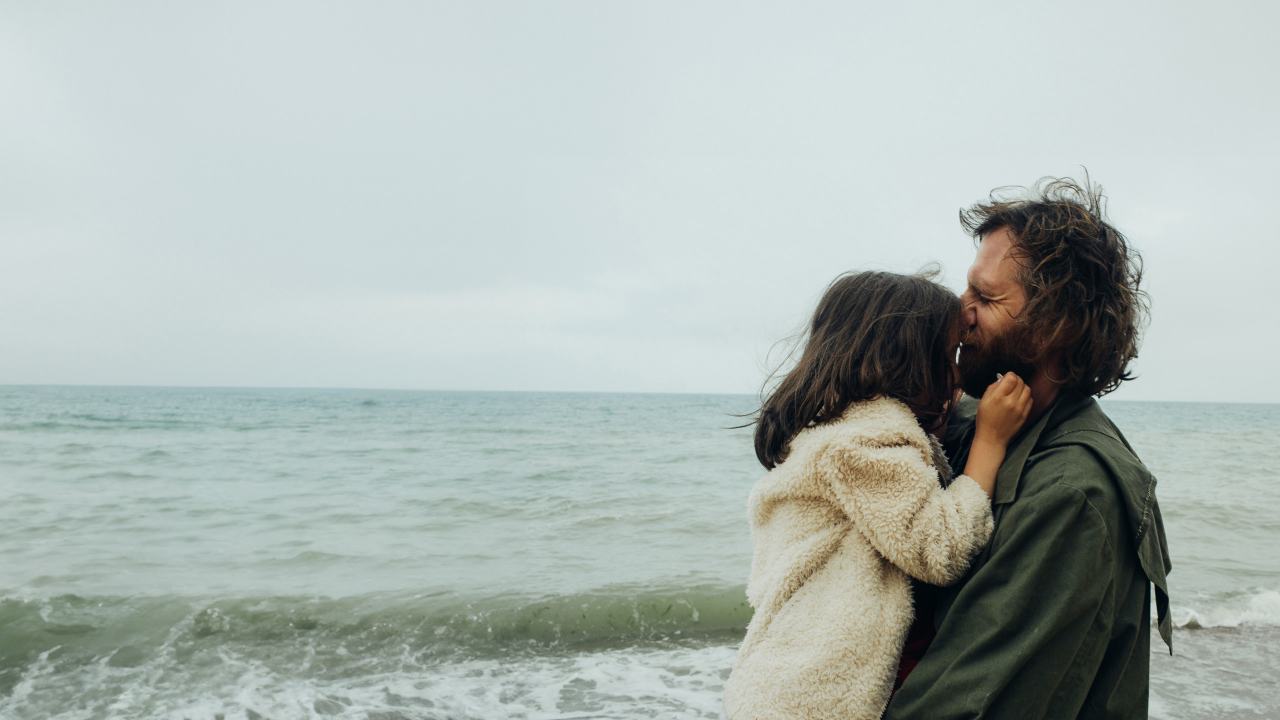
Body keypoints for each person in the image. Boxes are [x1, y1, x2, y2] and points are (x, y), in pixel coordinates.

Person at [884, 178, 1173, 719]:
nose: (958, 312)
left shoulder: (1072, 494)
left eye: (986, 298)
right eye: (967, 289)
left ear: (1055, 332)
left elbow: (959, 706)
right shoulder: (968, 421)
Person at [723, 270, 1032, 720]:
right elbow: (940, 548)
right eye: (949, 358)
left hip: (779, 687)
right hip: (812, 702)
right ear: (907, 363)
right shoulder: (866, 443)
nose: (957, 377)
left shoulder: (834, 431)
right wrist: (989, 442)